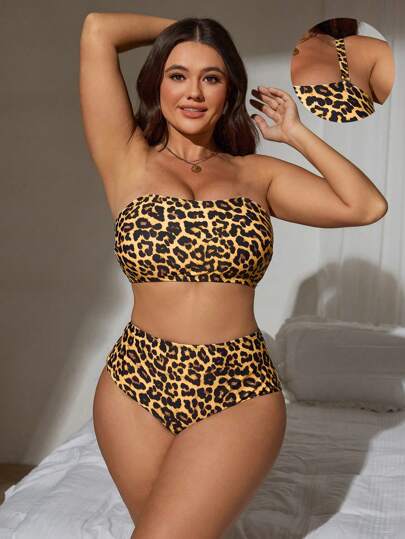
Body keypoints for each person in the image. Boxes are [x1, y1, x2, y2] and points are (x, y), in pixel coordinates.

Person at [79, 12, 388, 539]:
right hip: (134, 383)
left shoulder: (257, 175)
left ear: (230, 91)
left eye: (212, 77)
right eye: (178, 74)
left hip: (237, 388)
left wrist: (296, 134)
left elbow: (365, 206)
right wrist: (193, 30)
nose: (193, 92)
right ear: (156, 84)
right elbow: (97, 30)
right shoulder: (126, 160)